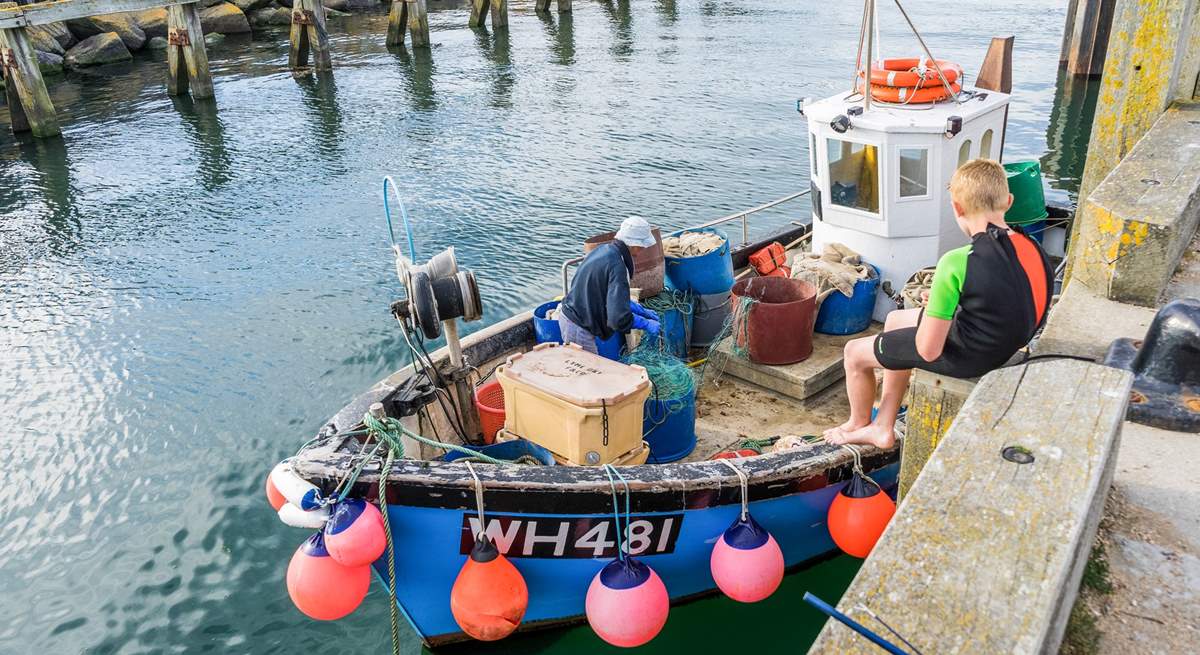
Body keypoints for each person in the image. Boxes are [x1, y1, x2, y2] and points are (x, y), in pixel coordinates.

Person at [824, 159, 1053, 448]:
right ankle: (884, 423)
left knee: (855, 353)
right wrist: (950, 305)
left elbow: (927, 350)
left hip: (972, 355)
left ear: (957, 208)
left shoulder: (958, 261)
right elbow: (1009, 297)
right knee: (895, 322)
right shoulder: (1031, 246)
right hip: (1004, 343)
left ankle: (860, 424)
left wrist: (936, 313)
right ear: (1008, 201)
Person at [558, 216, 661, 357]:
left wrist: (638, 309)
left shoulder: (605, 250)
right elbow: (617, 319)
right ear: (635, 244)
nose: (643, 249)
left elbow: (606, 295)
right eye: (643, 245)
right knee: (588, 375)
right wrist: (645, 323)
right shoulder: (618, 266)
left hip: (574, 316)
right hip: (578, 324)